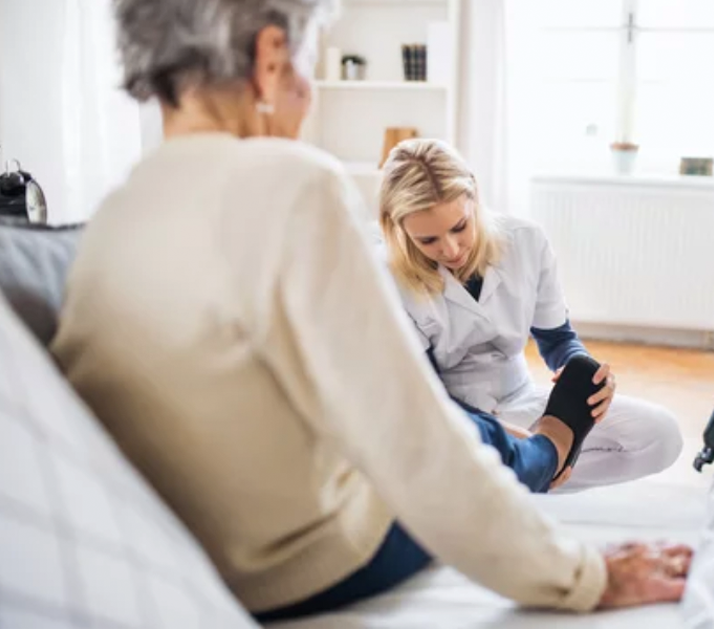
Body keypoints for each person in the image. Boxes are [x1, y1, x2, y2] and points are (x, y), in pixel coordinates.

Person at [51, 0, 691, 622]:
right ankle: (548, 454)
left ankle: (541, 453)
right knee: (468, 436)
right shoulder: (292, 184)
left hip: (200, 560)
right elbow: (416, 438)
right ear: (271, 59)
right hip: (316, 564)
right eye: (307, 64)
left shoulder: (112, 219)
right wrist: (584, 575)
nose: (307, 96)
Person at [378, 138, 684, 492]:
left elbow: (558, 339)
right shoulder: (384, 275)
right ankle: (529, 469)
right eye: (428, 240)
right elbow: (425, 394)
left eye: (459, 226)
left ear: (474, 195)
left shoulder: (525, 241)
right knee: (405, 465)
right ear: (399, 228)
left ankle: (529, 474)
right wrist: (504, 438)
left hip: (522, 402)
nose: (450, 248)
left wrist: (585, 377)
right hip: (449, 418)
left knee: (662, 436)